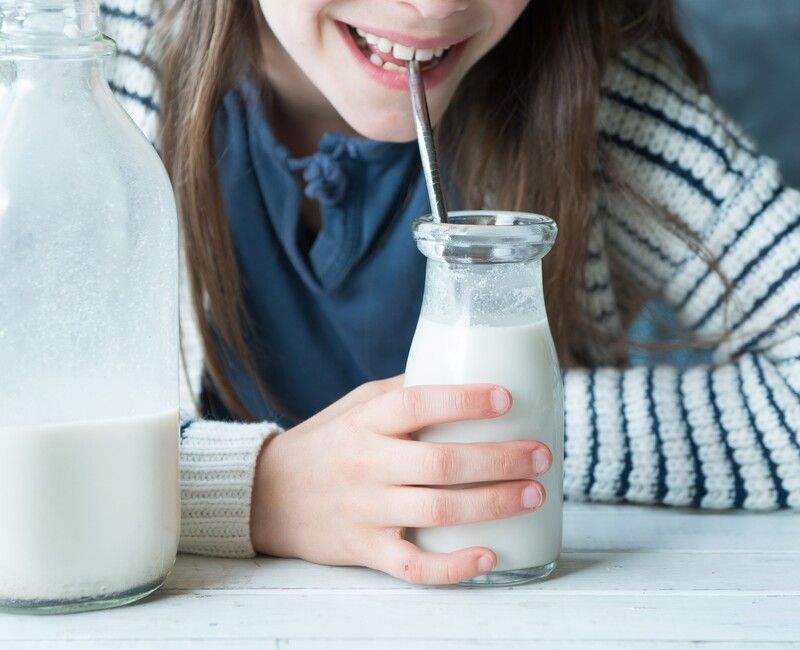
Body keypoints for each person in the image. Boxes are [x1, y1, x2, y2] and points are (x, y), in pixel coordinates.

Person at [100, 0, 800, 584]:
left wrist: (523, 438)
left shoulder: (592, 89)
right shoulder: (84, 61)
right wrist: (261, 489)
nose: (433, 7)